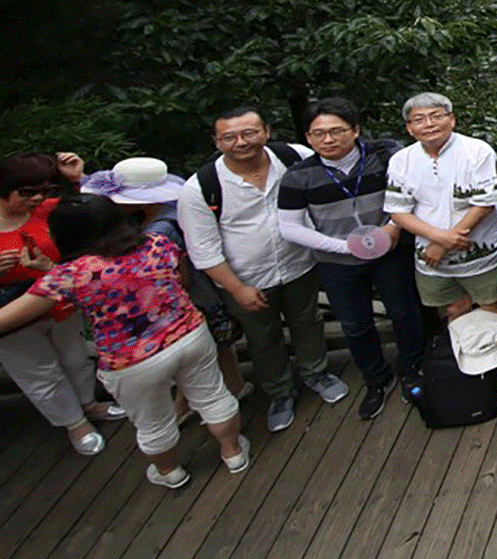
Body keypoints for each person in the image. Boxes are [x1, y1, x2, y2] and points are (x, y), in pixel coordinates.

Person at [0, 194, 249, 489]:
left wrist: (48, 273)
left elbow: (9, 318)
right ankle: (233, 453)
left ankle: (170, 472)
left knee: (152, 421)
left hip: (131, 361)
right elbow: (179, 281)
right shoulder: (157, 243)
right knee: (213, 397)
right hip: (189, 336)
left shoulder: (71, 275)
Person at [178, 105, 347, 432]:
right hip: (245, 278)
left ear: (266, 131)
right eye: (229, 137)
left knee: (308, 320)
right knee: (262, 337)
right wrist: (237, 288)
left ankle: (316, 372)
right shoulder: (201, 187)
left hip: (300, 264)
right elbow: (203, 250)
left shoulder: (293, 157)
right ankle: (280, 391)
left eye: (249, 133)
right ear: (216, 141)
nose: (241, 142)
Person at [278, 96, 426, 419]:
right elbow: (289, 227)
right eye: (318, 134)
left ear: (355, 130)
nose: (328, 139)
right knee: (355, 324)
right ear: (307, 138)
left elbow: (413, 194)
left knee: (404, 311)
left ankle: (412, 368)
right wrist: (345, 247)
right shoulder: (299, 177)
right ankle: (375, 379)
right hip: (337, 262)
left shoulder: (385, 157)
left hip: (390, 250)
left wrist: (392, 229)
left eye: (337, 131)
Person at [90, 157, 249, 417]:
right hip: (208, 290)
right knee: (219, 345)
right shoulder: (173, 209)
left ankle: (185, 407)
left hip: (191, 297)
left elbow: (177, 276)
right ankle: (236, 385)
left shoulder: (161, 231)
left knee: (195, 358)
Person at [0, 151, 124, 454]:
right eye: (27, 191)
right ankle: (73, 422)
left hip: (58, 298)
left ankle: (88, 404)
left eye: (46, 190)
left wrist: (78, 179)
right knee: (40, 372)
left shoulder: (45, 211)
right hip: (11, 311)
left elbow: (100, 209)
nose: (37, 198)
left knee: (75, 357)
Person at [385, 92, 497, 321]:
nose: (429, 124)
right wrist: (440, 239)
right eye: (419, 119)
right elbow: (398, 210)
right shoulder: (401, 160)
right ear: (409, 128)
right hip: (430, 255)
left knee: (491, 304)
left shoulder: (477, 151)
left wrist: (444, 243)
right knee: (454, 308)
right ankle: (463, 355)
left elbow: (484, 204)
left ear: (451, 120)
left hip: (479, 248)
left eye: (436, 116)